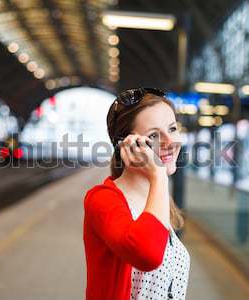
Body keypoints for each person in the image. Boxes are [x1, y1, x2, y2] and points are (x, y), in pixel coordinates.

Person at [83, 87, 191, 300]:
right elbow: (147, 255)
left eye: (172, 129)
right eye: (154, 135)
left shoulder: (156, 201)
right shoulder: (102, 199)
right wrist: (158, 175)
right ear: (129, 145)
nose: (170, 142)